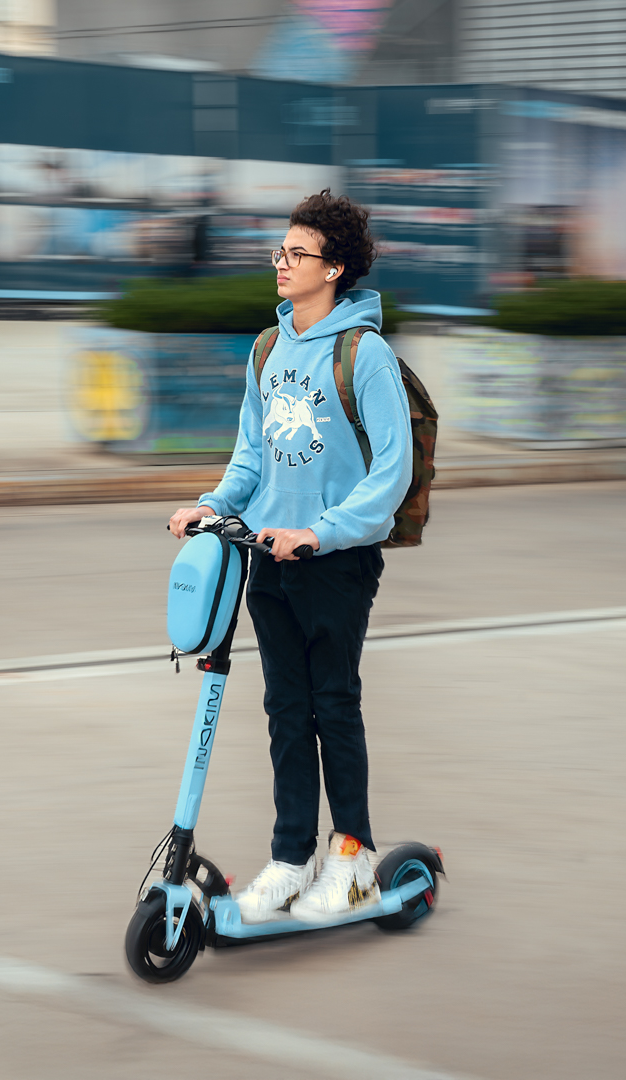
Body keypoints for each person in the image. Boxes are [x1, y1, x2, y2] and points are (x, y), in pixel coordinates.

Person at [167, 190, 412, 924]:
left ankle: (355, 859)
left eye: (297, 254)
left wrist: (324, 531)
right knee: (284, 709)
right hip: (266, 556)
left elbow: (391, 473)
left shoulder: (365, 354)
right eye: (280, 251)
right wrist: (213, 505)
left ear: (334, 268)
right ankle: (290, 856)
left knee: (332, 704)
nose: (282, 263)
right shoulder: (267, 349)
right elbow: (251, 457)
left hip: (334, 560)